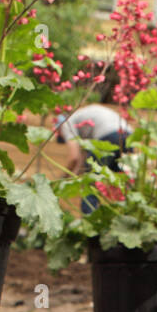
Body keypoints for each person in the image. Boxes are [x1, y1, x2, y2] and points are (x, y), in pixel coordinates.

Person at [55, 76, 130, 215]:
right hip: (127, 134)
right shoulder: (82, 120)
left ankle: (89, 220)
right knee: (120, 178)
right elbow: (82, 159)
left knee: (90, 180)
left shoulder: (67, 123)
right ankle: (126, 213)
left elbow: (74, 158)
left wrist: (62, 179)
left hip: (107, 136)